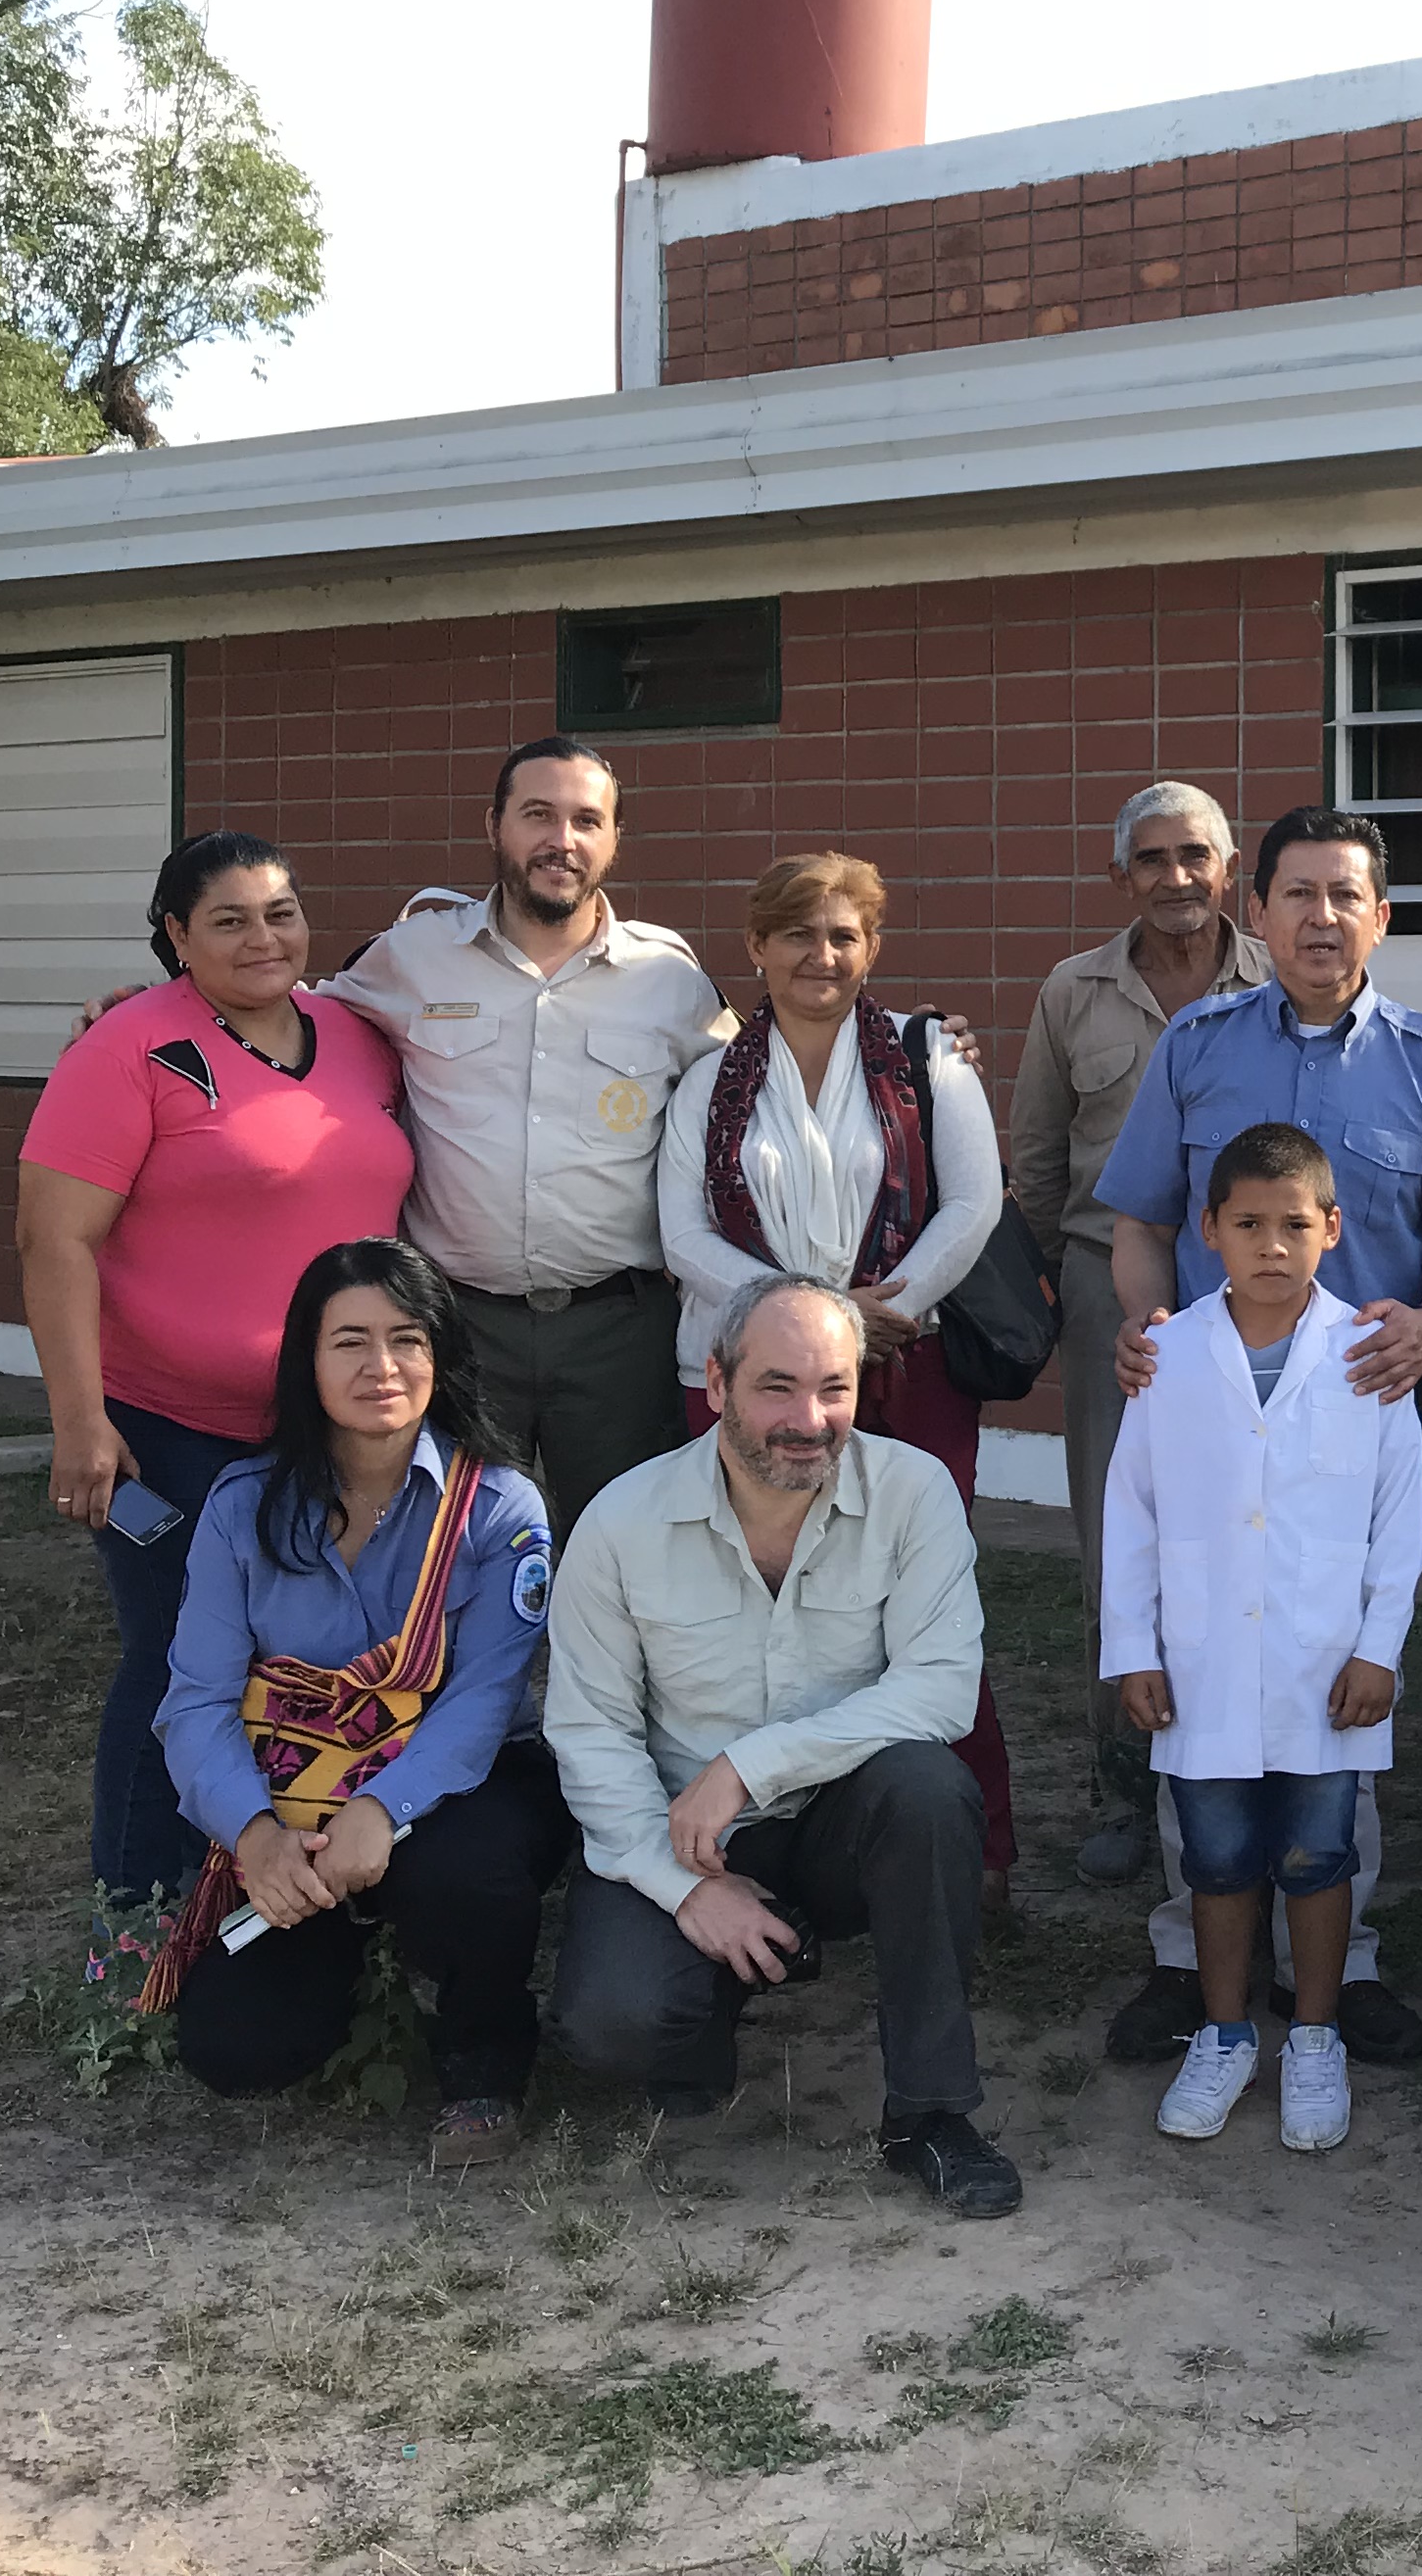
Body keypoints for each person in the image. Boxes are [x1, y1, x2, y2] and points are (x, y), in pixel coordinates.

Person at [1094, 804, 1422, 2066]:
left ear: (1381, 919)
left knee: (1341, 1659)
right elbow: (1138, 1220)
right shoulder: (1195, 1044)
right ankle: (1196, 1956)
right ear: (1259, 911)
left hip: (1368, 1412)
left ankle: (1345, 1967)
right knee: (1206, 1640)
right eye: (1296, 893)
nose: (1322, 918)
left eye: (1347, 896)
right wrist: (1145, 1333)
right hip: (1210, 1410)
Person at [541, 1274, 1019, 2215]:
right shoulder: (622, 1523)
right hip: (685, 1834)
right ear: (715, 1383)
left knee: (929, 1789)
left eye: (833, 1388)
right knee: (615, 2026)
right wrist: (691, 1893)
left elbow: (941, 1691)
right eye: (776, 1386)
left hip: (845, 1819)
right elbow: (589, 1736)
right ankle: (710, 2000)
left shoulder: (914, 1493)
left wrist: (749, 1765)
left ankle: (931, 2113)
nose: (809, 1418)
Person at [22, 832, 417, 1903]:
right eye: (229, 919)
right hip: (174, 1428)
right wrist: (78, 1420)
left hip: (340, 1430)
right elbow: (54, 1239)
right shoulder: (126, 1048)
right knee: (182, 1664)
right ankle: (138, 1907)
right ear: (175, 937)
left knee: (324, 1661)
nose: (262, 936)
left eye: (281, 912)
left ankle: (299, 1879)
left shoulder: (357, 1035)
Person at [147, 1240, 568, 2167]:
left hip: (458, 1788)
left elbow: (483, 1706)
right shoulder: (242, 1508)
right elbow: (198, 1702)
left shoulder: (499, 1510)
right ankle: (354, 1953)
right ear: (307, 1358)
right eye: (350, 1341)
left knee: (464, 1876)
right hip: (293, 1801)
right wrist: (256, 1840)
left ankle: (482, 2065)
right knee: (237, 2051)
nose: (381, 1367)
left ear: (440, 1355)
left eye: (406, 1339)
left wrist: (381, 1811)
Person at [661, 852, 1018, 1915]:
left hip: (907, 1368)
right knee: (751, 1608)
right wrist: (816, 1320)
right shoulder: (707, 1080)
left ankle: (976, 1844)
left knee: (926, 1602)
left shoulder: (925, 1061)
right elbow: (678, 1233)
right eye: (799, 935)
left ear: (874, 948)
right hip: (743, 1380)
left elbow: (975, 1205)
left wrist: (876, 1312)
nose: (823, 955)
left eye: (845, 935)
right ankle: (758, 1840)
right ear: (756, 949)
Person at [1103, 1125, 1422, 2153]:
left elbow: (1396, 1521)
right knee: (1218, 1856)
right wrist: (1135, 1649)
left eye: (1294, 1224)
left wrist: (1380, 1646)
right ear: (1209, 1232)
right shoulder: (1171, 1355)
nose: (1272, 1246)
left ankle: (1317, 2035)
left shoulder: (1367, 1361)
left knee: (1318, 1851)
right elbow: (1132, 1514)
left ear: (1331, 1230)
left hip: (1327, 1664)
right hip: (1200, 1661)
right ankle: (1226, 2030)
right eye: (1248, 1224)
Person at [323, 738, 737, 1536]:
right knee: (445, 1550)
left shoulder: (670, 980)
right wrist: (144, 1016)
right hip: (458, 1326)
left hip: (619, 1330)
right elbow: (286, 1021)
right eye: (538, 815)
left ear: (614, 840)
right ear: (495, 826)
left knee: (627, 1553)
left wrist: (919, 1047)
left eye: (588, 820)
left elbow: (762, 1075)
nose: (563, 840)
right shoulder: (411, 957)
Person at [1006, 781, 1272, 1886]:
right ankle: (1128, 1782)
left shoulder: (1275, 982)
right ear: (1123, 877)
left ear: (1229, 867)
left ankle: (1256, 1765)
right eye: (1152, 859)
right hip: (1111, 1295)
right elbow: (1035, 1158)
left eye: (1194, 856)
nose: (1175, 877)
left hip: (1256, 1291)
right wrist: (1078, 1290)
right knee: (1123, 1540)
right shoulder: (1073, 993)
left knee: (1255, 1532)